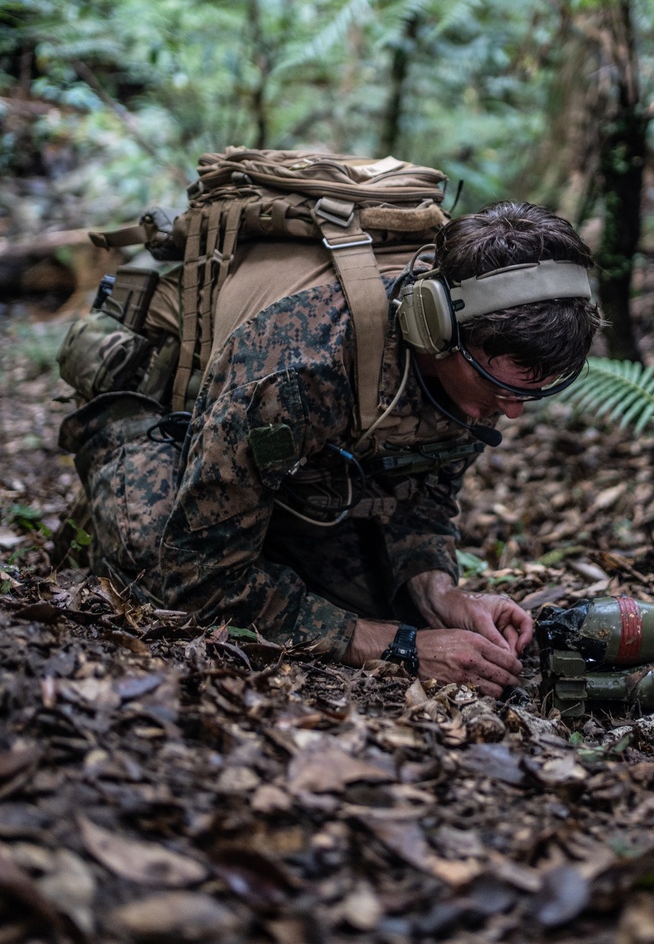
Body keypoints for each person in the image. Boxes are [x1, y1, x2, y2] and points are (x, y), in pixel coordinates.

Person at [63, 201, 601, 697]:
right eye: (501, 388)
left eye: (535, 393)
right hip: (154, 412)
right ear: (435, 328)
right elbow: (199, 580)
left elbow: (423, 489)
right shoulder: (299, 371)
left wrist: (436, 589)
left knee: (377, 601)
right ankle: (110, 493)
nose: (513, 412)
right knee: (167, 582)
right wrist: (402, 648)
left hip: (294, 450)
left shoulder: (468, 376)